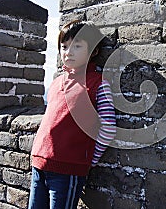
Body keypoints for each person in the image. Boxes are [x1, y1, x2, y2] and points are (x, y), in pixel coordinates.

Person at [28, 21, 116, 209]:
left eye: (77, 46)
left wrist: (88, 161)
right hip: (39, 164)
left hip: (68, 170)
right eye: (64, 46)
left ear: (93, 51)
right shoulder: (57, 82)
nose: (68, 52)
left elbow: (108, 128)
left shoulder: (97, 84)